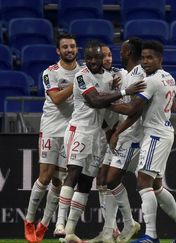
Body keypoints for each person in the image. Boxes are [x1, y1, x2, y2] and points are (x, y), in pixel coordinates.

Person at [55, 40, 145, 243]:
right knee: (74, 173)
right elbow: (96, 101)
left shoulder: (110, 77)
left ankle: (70, 231)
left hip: (98, 135)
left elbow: (106, 102)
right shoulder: (81, 76)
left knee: (87, 181)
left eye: (98, 57)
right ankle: (60, 224)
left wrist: (114, 97)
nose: (95, 61)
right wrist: (123, 92)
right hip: (79, 130)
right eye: (90, 58)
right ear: (85, 59)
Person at [108, 40, 176, 243]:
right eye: (143, 58)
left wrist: (108, 105)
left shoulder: (151, 81)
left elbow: (132, 110)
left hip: (155, 135)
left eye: (150, 58)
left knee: (143, 182)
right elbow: (172, 104)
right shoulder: (169, 77)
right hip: (161, 132)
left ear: (160, 59)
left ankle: (151, 236)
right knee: (155, 184)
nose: (145, 62)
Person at [23, 33, 81, 243]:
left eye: (72, 46)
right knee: (45, 177)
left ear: (77, 49)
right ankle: (29, 220)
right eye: (65, 47)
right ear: (58, 51)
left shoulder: (84, 71)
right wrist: (77, 84)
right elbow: (56, 98)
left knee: (61, 180)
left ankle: (44, 224)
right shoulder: (50, 72)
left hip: (71, 130)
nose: (69, 50)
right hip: (50, 127)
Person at [89, 38, 145, 243]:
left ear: (127, 52)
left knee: (147, 184)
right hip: (117, 134)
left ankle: (131, 225)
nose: (109, 57)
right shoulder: (108, 78)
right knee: (106, 178)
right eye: (104, 55)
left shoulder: (127, 75)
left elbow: (133, 109)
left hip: (130, 135)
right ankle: (109, 231)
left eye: (111, 54)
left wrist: (105, 102)